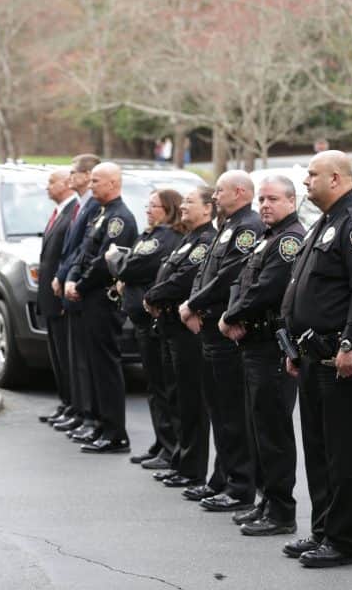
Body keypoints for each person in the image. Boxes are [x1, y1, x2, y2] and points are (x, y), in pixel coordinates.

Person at [279, 150, 352, 568]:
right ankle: (324, 530)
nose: (305, 182)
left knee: (346, 456)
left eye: (312, 174)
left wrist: (350, 343)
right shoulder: (325, 222)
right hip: (313, 359)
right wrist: (294, 349)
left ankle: (344, 540)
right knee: (321, 453)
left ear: (337, 178)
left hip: (342, 363)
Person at [219, 175, 305, 537]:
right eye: (262, 200)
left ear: (291, 201)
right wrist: (233, 314)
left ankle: (282, 512)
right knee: (259, 429)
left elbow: (267, 289)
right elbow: (241, 281)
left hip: (271, 346)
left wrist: (231, 317)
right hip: (252, 343)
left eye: (273, 199)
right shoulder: (268, 237)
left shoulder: (289, 239)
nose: (265, 206)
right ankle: (266, 502)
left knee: (273, 431)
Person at [179, 170, 264, 512]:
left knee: (232, 414)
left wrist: (195, 304)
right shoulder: (227, 225)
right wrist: (193, 303)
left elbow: (230, 273)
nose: (214, 197)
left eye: (220, 191)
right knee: (219, 411)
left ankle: (240, 485)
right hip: (209, 327)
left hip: (224, 331)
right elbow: (205, 272)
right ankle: (222, 477)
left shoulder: (248, 227)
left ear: (240, 192)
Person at [143, 187, 217, 490]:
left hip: (187, 332)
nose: (183, 206)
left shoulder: (205, 240)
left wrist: (153, 294)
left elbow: (185, 278)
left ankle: (192, 469)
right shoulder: (188, 238)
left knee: (191, 403)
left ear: (208, 209)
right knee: (176, 397)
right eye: (183, 201)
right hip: (169, 327)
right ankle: (181, 462)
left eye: (190, 202)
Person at [66, 162, 139, 453]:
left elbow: (104, 263)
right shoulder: (101, 213)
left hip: (102, 300)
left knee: (106, 367)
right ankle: (98, 423)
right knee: (93, 366)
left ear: (113, 183)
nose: (91, 185)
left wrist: (81, 285)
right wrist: (72, 278)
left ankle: (115, 432)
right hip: (87, 298)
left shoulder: (120, 218)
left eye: (97, 180)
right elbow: (84, 251)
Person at [110, 189, 184, 468]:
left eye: (154, 206)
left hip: (154, 322)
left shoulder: (165, 237)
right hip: (142, 320)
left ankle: (170, 447)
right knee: (155, 386)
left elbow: (131, 267)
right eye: (148, 205)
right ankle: (160, 442)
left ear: (169, 209)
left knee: (164, 387)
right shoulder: (149, 234)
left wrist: (117, 265)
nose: (148, 210)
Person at [50, 154, 102, 438]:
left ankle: (88, 414)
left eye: (75, 172)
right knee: (75, 359)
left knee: (85, 361)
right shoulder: (83, 206)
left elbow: (84, 250)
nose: (71, 177)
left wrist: (69, 277)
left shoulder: (94, 206)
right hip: (71, 286)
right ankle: (79, 410)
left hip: (84, 293)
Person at [37, 169, 78, 424]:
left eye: (52, 182)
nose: (47, 187)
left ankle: (74, 405)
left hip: (61, 295)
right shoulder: (60, 212)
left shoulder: (74, 212)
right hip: (50, 296)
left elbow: (68, 255)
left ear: (66, 184)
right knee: (57, 356)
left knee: (67, 356)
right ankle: (66, 403)